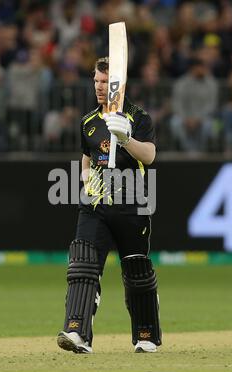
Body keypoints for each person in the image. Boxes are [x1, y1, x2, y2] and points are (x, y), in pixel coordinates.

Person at [57, 57, 161, 354]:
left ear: (118, 85)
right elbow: (86, 159)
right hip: (95, 205)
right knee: (82, 265)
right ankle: (76, 332)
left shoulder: (139, 118)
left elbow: (150, 156)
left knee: (137, 271)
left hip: (132, 205)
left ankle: (146, 335)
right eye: (96, 81)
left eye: (105, 82)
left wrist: (126, 138)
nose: (99, 87)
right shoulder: (88, 122)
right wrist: (87, 180)